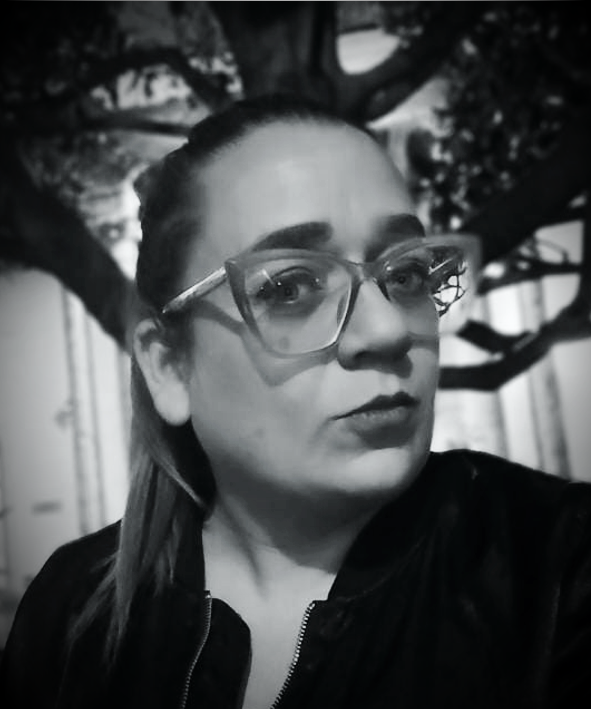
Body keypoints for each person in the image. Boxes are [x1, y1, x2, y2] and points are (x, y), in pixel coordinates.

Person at [1, 93, 590, 709]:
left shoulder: (556, 574)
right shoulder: (72, 616)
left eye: (408, 274)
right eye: (289, 287)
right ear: (169, 364)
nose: (387, 329)